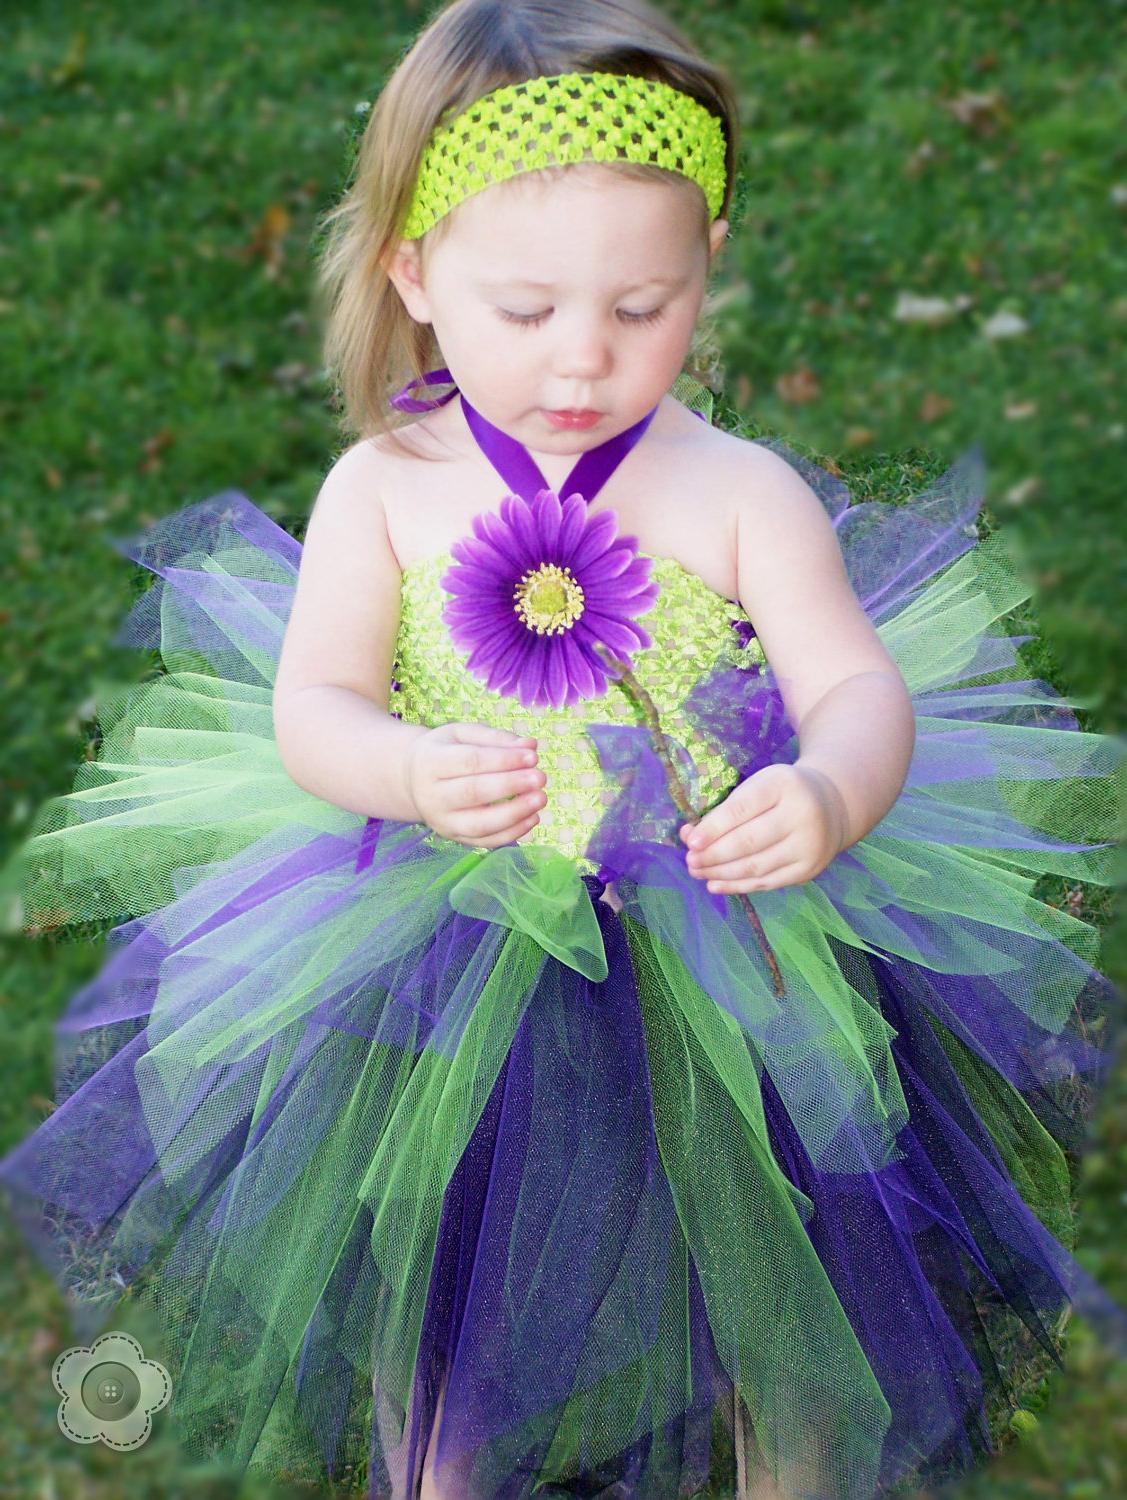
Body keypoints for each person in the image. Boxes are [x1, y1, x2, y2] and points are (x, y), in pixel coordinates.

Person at [1, 2, 1124, 1497]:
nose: (585, 360)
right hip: (451, 962)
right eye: (527, 311)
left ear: (706, 264)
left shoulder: (737, 491)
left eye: (642, 305)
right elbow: (314, 708)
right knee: (450, 1313)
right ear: (413, 268)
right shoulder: (386, 490)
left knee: (783, 1307)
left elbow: (857, 684)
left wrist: (832, 788)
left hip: (734, 962)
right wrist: (404, 771)